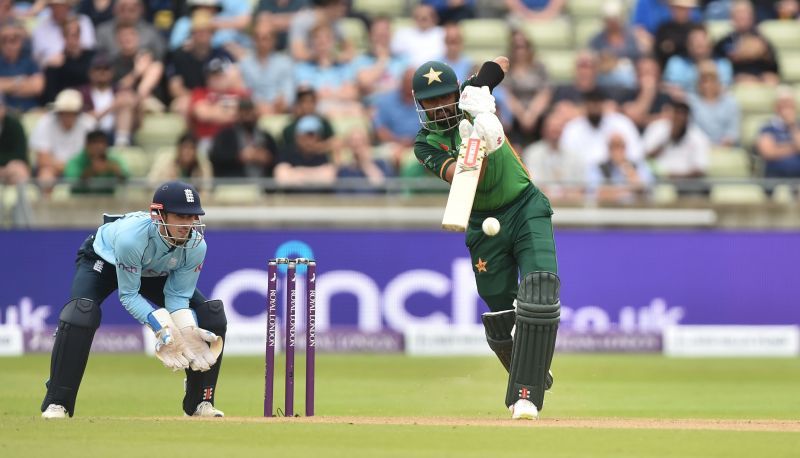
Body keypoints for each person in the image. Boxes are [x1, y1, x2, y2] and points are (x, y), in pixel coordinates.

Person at [411, 58, 559, 420]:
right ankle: (531, 366)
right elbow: (463, 179)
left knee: (540, 289)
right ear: (420, 104)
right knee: (502, 317)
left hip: (524, 206)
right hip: (481, 221)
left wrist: (484, 89)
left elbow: (501, 63)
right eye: (431, 101)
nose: (440, 106)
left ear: (456, 92)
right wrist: (473, 146)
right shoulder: (426, 145)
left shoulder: (470, 99)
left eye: (445, 96)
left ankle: (525, 396)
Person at [41, 180, 227, 419]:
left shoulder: (196, 245)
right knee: (80, 314)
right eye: (180, 216)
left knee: (210, 314)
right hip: (103, 262)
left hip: (152, 270)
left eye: (193, 217)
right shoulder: (132, 238)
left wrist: (186, 329)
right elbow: (128, 294)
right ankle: (58, 402)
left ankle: (200, 402)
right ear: (158, 215)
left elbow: (177, 296)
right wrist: (161, 327)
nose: (188, 225)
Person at [63, 129, 129, 194]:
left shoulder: (112, 160)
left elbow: (127, 175)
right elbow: (72, 180)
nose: (99, 146)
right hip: (81, 201)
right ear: (86, 145)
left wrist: (116, 171)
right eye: (95, 142)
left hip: (108, 202)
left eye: (102, 142)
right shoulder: (76, 161)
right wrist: (91, 171)